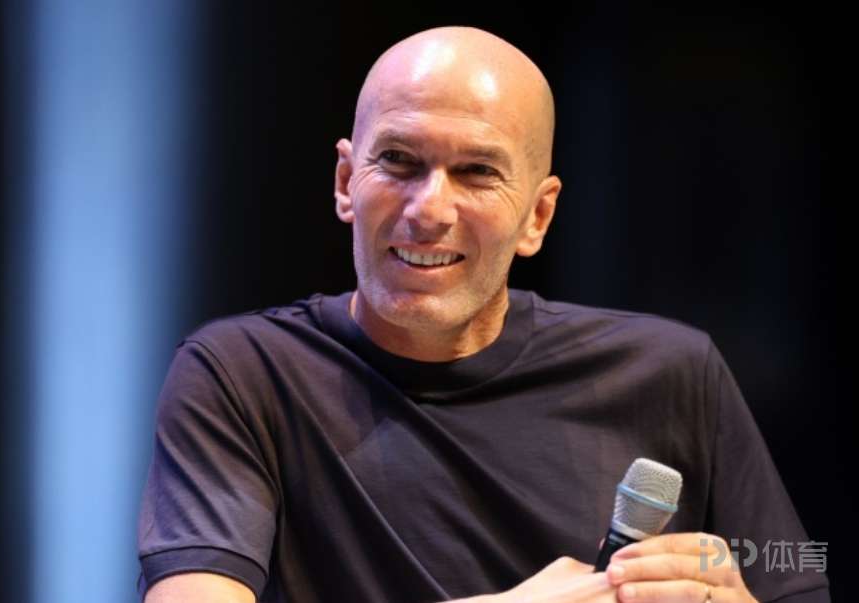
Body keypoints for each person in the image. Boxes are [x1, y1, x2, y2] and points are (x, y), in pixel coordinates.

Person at [137, 26, 830, 603]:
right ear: (347, 182)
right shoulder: (244, 375)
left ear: (537, 215)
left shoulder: (670, 372)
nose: (429, 210)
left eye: (476, 172)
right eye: (398, 161)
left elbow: (788, 573)